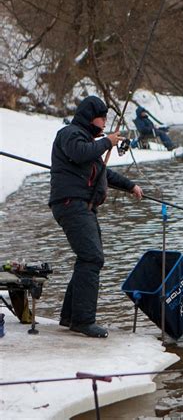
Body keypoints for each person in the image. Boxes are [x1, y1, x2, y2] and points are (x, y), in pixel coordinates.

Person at [49, 96, 144, 338]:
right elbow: (79, 153)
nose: (105, 123)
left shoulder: (90, 141)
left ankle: (70, 317)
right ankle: (83, 320)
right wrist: (107, 142)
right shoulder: (70, 134)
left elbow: (104, 173)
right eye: (103, 118)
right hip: (72, 204)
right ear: (92, 117)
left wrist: (130, 186)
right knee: (92, 257)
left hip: (84, 207)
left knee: (88, 257)